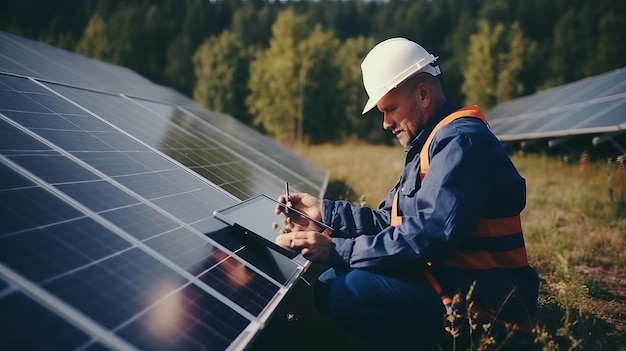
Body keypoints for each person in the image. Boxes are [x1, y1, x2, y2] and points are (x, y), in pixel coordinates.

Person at [274, 37, 539, 350]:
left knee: (347, 290)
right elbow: (391, 220)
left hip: (489, 303)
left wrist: (336, 250)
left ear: (423, 94)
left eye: (390, 109)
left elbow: (428, 237)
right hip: (452, 282)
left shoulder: (462, 144)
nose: (386, 123)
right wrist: (324, 212)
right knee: (331, 282)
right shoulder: (430, 143)